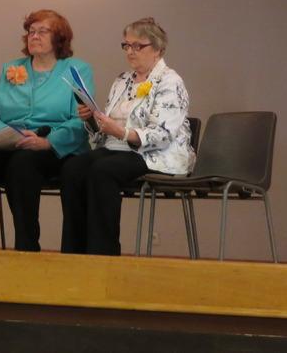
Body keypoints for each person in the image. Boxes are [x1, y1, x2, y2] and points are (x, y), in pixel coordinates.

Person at [60, 17, 194, 256]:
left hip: (156, 154)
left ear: (157, 49)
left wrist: (122, 132)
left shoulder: (170, 81)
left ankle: (103, 253)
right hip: (116, 147)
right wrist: (91, 119)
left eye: (137, 46)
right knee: (73, 168)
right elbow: (104, 129)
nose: (130, 51)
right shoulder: (122, 80)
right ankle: (74, 252)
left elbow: (163, 134)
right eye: (126, 45)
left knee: (103, 170)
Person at [0, 9, 92, 251]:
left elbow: (80, 121)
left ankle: (27, 246)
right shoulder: (11, 68)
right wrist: (11, 133)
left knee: (22, 164)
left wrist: (48, 142)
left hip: (54, 147)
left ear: (59, 38)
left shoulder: (76, 69)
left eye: (42, 31)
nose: (34, 36)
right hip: (12, 143)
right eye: (31, 31)